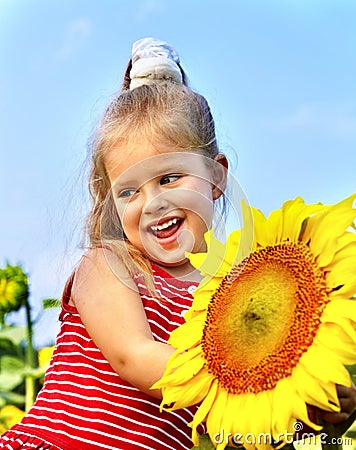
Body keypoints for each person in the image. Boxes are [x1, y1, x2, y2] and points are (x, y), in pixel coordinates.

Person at [1, 37, 355, 450]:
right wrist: (257, 375)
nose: (154, 203)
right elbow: (133, 356)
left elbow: (233, 430)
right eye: (128, 191)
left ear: (217, 175)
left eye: (170, 178)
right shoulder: (109, 264)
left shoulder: (224, 304)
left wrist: (307, 413)